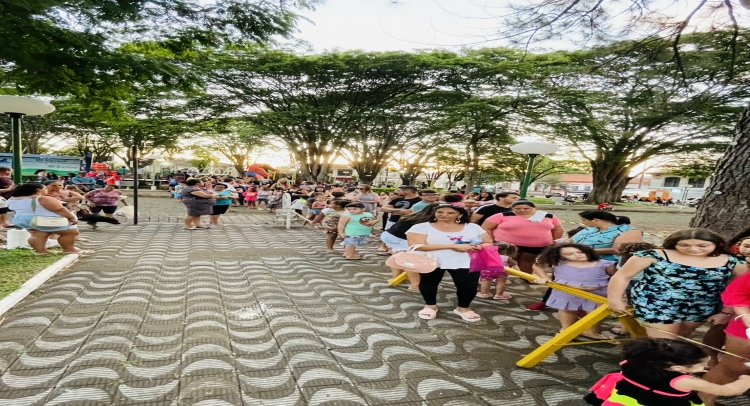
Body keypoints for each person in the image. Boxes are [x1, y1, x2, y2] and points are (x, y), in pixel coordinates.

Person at [608, 229, 748, 338]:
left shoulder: (733, 262)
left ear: (716, 244)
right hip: (656, 304)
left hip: (702, 306)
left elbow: (735, 290)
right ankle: (660, 368)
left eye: (702, 245)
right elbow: (622, 276)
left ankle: (660, 363)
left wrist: (726, 313)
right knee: (664, 341)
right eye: (684, 245)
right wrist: (615, 300)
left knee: (681, 337)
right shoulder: (652, 255)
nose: (693, 249)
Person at [584, 338, 750, 406]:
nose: (705, 368)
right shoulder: (683, 381)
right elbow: (728, 390)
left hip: (627, 399)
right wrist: (745, 378)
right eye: (700, 365)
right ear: (677, 368)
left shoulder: (634, 361)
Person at [406, 204, 493, 322]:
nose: (444, 215)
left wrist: (475, 246)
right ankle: (430, 305)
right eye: (440, 212)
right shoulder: (421, 227)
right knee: (429, 283)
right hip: (432, 260)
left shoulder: (472, 227)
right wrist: (452, 246)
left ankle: (463, 308)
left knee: (468, 286)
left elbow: (488, 242)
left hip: (467, 260)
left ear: (460, 215)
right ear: (434, 213)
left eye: (450, 213)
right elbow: (416, 245)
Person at [533, 243, 617, 340]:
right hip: (567, 291)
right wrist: (544, 277)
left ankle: (590, 331)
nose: (577, 255)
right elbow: (537, 265)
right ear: (560, 256)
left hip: (597, 292)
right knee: (566, 309)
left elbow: (617, 277)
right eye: (569, 254)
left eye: (580, 252)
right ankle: (566, 328)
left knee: (595, 312)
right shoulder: (559, 262)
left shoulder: (604, 264)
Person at [481, 200, 564, 275]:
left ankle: (526, 276)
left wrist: (554, 242)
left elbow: (557, 229)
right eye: (517, 208)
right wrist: (490, 241)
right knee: (505, 261)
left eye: (526, 208)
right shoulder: (501, 215)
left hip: (536, 245)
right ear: (511, 208)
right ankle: (497, 277)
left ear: (535, 208)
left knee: (528, 261)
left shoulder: (549, 216)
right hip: (506, 245)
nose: (522, 210)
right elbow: (486, 228)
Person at [6, 183, 92, 254]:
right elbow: (60, 209)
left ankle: (41, 251)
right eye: (44, 188)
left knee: (37, 235)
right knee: (71, 232)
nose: (46, 189)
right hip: (45, 220)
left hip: (22, 220)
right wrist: (71, 218)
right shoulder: (42, 199)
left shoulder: (12, 199)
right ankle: (69, 249)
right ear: (38, 190)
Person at [381, 203, 441, 290]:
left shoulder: (418, 215)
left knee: (399, 256)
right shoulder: (428, 221)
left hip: (389, 235)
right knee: (411, 260)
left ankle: (396, 277)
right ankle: (415, 284)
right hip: (399, 238)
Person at [571, 210, 643, 261]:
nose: (583, 222)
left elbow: (618, 250)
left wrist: (584, 251)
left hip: (604, 261)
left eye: (584, 220)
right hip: (577, 256)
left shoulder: (628, 231)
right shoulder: (591, 229)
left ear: (596, 220)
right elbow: (570, 240)